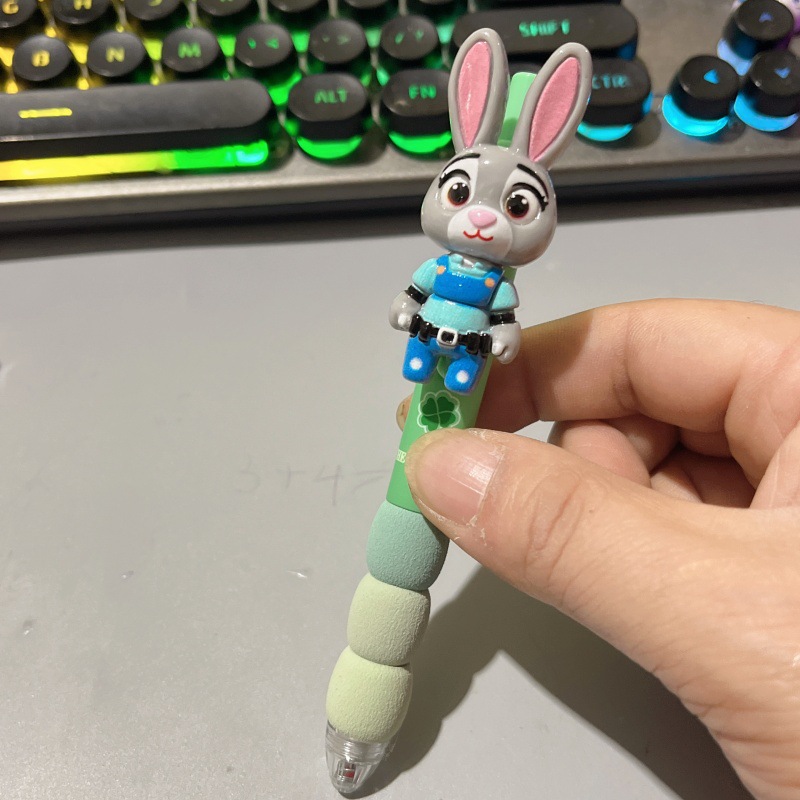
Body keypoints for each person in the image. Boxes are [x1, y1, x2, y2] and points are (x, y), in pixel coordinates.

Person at [398, 299, 800, 800]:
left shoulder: (494, 293)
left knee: (462, 384)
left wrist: (502, 335)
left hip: (465, 361)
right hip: (431, 343)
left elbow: (502, 322)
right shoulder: (443, 273)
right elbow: (416, 294)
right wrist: (409, 305)